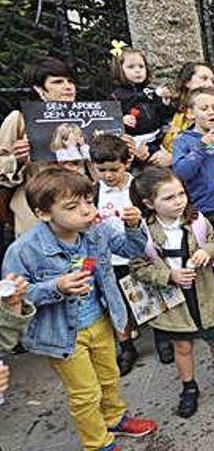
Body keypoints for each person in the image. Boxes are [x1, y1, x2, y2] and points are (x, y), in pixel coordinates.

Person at [2, 168, 158, 451]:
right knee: (85, 393)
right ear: (43, 213)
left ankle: (114, 418)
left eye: (88, 200)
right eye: (73, 207)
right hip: (61, 333)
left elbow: (129, 249)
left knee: (109, 377)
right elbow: (15, 299)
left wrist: (134, 227)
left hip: (101, 319)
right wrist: (56, 287)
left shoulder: (96, 230)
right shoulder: (23, 250)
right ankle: (98, 443)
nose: (87, 211)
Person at [129, 167, 214, 418]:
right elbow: (137, 267)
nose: (178, 201)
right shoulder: (143, 231)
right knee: (182, 346)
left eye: (181, 194)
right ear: (148, 203)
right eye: (169, 198)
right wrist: (168, 276)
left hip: (206, 295)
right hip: (173, 300)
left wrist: (208, 251)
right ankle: (189, 387)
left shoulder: (197, 221)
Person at [0, 57, 76, 238]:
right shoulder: (19, 118)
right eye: (58, 82)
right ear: (39, 89)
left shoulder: (89, 118)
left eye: (70, 81)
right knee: (44, 262)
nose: (68, 86)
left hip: (79, 205)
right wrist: (17, 159)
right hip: (36, 211)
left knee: (84, 263)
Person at [90, 135, 142, 375]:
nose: (108, 175)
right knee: (117, 302)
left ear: (127, 164)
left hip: (141, 253)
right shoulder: (93, 193)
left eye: (114, 169)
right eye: (102, 170)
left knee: (149, 298)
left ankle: (163, 339)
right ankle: (127, 346)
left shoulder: (138, 187)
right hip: (111, 259)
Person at [171, 87, 214, 222]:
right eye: (204, 109)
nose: (211, 112)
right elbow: (181, 172)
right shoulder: (183, 141)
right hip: (205, 209)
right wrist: (202, 146)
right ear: (190, 113)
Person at [109, 47, 175, 162]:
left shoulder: (149, 91)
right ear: (120, 70)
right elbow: (112, 121)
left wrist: (165, 104)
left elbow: (162, 115)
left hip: (156, 137)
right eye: (131, 67)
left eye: (141, 66)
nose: (138, 70)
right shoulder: (117, 95)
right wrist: (122, 120)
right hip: (134, 142)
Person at [161, 62, 214, 156]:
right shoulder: (170, 109)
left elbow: (212, 149)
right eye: (204, 78)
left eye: (212, 81)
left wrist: (174, 158)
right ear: (187, 82)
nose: (210, 85)